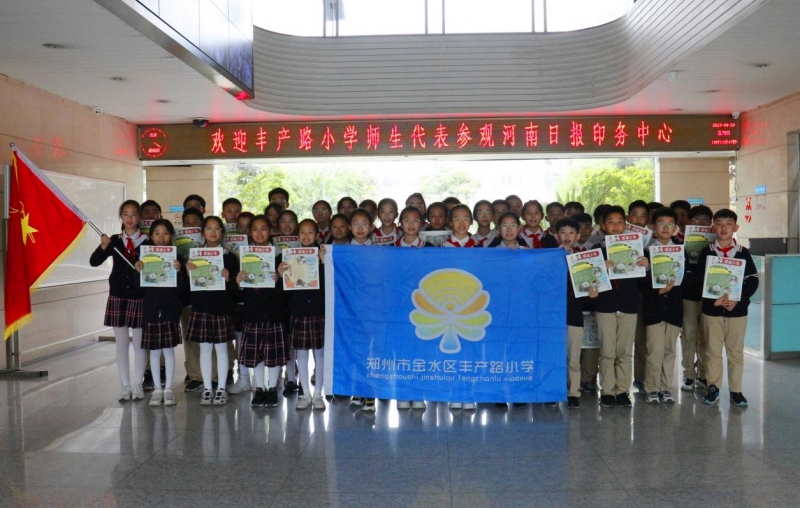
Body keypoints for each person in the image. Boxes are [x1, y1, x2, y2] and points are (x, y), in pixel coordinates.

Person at [696, 209, 759, 407]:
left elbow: (752, 281)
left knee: (735, 353)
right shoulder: (707, 252)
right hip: (712, 312)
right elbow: (699, 282)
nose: (723, 228)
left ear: (735, 227)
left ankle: (736, 391)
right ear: (713, 228)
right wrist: (711, 302)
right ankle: (713, 388)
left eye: (728, 224)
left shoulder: (742, 252)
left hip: (737, 312)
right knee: (712, 351)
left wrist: (738, 300)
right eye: (719, 224)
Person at [90, 200, 147, 402]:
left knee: (139, 344)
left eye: (134, 214)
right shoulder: (114, 241)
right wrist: (103, 246)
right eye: (125, 214)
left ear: (139, 217)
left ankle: (138, 385)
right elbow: (94, 262)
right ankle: (125, 386)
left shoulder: (147, 241)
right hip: (118, 295)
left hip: (139, 297)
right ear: (121, 217)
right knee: (121, 344)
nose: (129, 218)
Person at [593, 206, 649, 408]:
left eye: (619, 222)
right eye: (611, 222)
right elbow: (589, 282)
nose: (615, 226)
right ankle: (607, 391)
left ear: (625, 225)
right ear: (603, 225)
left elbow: (644, 285)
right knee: (607, 351)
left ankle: (623, 390)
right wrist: (600, 269)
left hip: (628, 305)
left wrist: (647, 267)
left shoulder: (637, 250)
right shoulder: (596, 251)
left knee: (625, 351)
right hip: (605, 306)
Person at [235, 215, 288, 408]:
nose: (259, 233)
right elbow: (239, 293)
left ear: (270, 231)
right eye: (255, 229)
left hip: (274, 312)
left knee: (273, 354)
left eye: (263, 228)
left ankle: (272, 388)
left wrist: (279, 279)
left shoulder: (280, 256)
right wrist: (239, 283)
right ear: (250, 232)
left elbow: (287, 291)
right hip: (253, 312)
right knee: (256, 354)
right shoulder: (244, 256)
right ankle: (259, 388)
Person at [186, 216, 239, 406]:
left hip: (222, 308)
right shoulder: (194, 256)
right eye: (209, 228)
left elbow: (236, 288)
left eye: (217, 228)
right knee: (205, 350)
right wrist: (187, 272)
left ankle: (221, 388)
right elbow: (188, 286)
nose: (213, 232)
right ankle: (208, 389)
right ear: (203, 232)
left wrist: (229, 278)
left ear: (222, 232)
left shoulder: (229, 256)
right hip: (201, 307)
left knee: (222, 350)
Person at [134, 219, 187, 406]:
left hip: (170, 310)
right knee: (155, 352)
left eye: (165, 233)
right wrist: (138, 271)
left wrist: (179, 271)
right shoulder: (144, 257)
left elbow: (182, 288)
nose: (161, 237)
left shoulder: (176, 258)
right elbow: (139, 289)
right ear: (151, 236)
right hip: (150, 310)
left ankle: (169, 389)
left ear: (171, 235)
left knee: (169, 351)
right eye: (157, 233)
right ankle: (157, 389)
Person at [278, 219, 327, 410]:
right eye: (302, 233)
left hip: (319, 310)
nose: (306, 236)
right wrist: (282, 275)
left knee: (320, 355)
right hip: (298, 310)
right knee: (302, 355)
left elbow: (328, 284)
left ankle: (318, 394)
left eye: (310, 232)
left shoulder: (323, 254)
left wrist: (323, 262)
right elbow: (285, 291)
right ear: (298, 236)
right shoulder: (289, 256)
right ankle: (305, 394)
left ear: (317, 235)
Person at [641, 208, 683, 404]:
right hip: (653, 309)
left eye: (670, 224)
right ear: (653, 227)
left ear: (675, 228)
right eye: (661, 224)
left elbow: (687, 281)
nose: (665, 228)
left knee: (670, 351)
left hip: (674, 309)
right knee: (654, 351)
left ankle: (666, 388)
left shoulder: (681, 252)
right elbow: (640, 284)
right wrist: (656, 288)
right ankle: (652, 388)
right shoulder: (645, 253)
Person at [558, 217, 598, 409]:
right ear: (556, 235)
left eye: (571, 232)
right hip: (552, 316)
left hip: (574, 314)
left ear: (578, 235)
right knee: (554, 356)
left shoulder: (584, 259)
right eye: (563, 232)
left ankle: (573, 392)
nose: (567, 236)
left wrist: (592, 295)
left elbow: (588, 291)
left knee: (574, 356)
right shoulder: (548, 258)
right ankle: (554, 390)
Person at [681, 205, 713, 391]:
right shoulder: (680, 242)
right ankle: (688, 375)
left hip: (710, 297)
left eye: (705, 220)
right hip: (689, 296)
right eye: (696, 220)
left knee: (706, 337)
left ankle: (703, 373)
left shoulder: (715, 243)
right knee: (689, 335)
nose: (701, 223)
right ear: (689, 223)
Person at [348, 209, 377, 412]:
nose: (360, 228)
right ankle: (357, 389)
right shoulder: (341, 251)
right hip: (349, 310)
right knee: (354, 349)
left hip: (372, 309)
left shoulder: (378, 251)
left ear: (371, 227)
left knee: (370, 351)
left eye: (364, 224)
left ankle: (370, 391)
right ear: (350, 227)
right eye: (356, 224)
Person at [179, 207, 206, 393]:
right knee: (190, 338)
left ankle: (217, 375)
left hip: (208, 298)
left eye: (195, 222)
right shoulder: (175, 246)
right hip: (187, 297)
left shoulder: (211, 244)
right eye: (187, 223)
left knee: (211, 340)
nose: (191, 226)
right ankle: (195, 375)